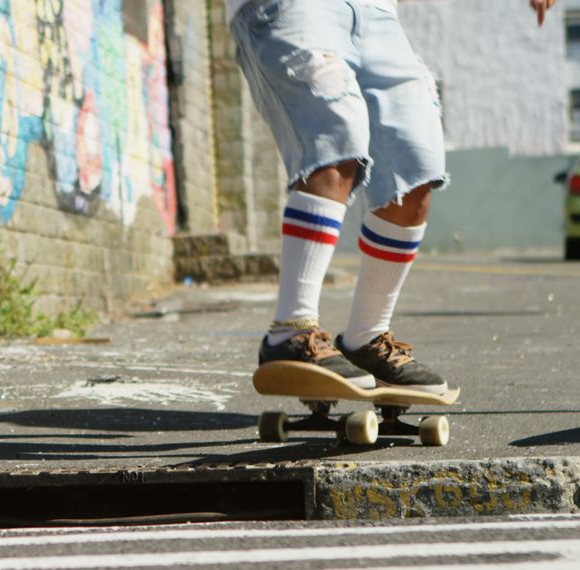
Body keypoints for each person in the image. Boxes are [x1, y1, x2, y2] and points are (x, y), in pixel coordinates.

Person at [225, 0, 556, 394]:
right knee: (336, 138)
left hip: (376, 15)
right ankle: (290, 332)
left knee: (415, 166)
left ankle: (365, 338)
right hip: (292, 9)